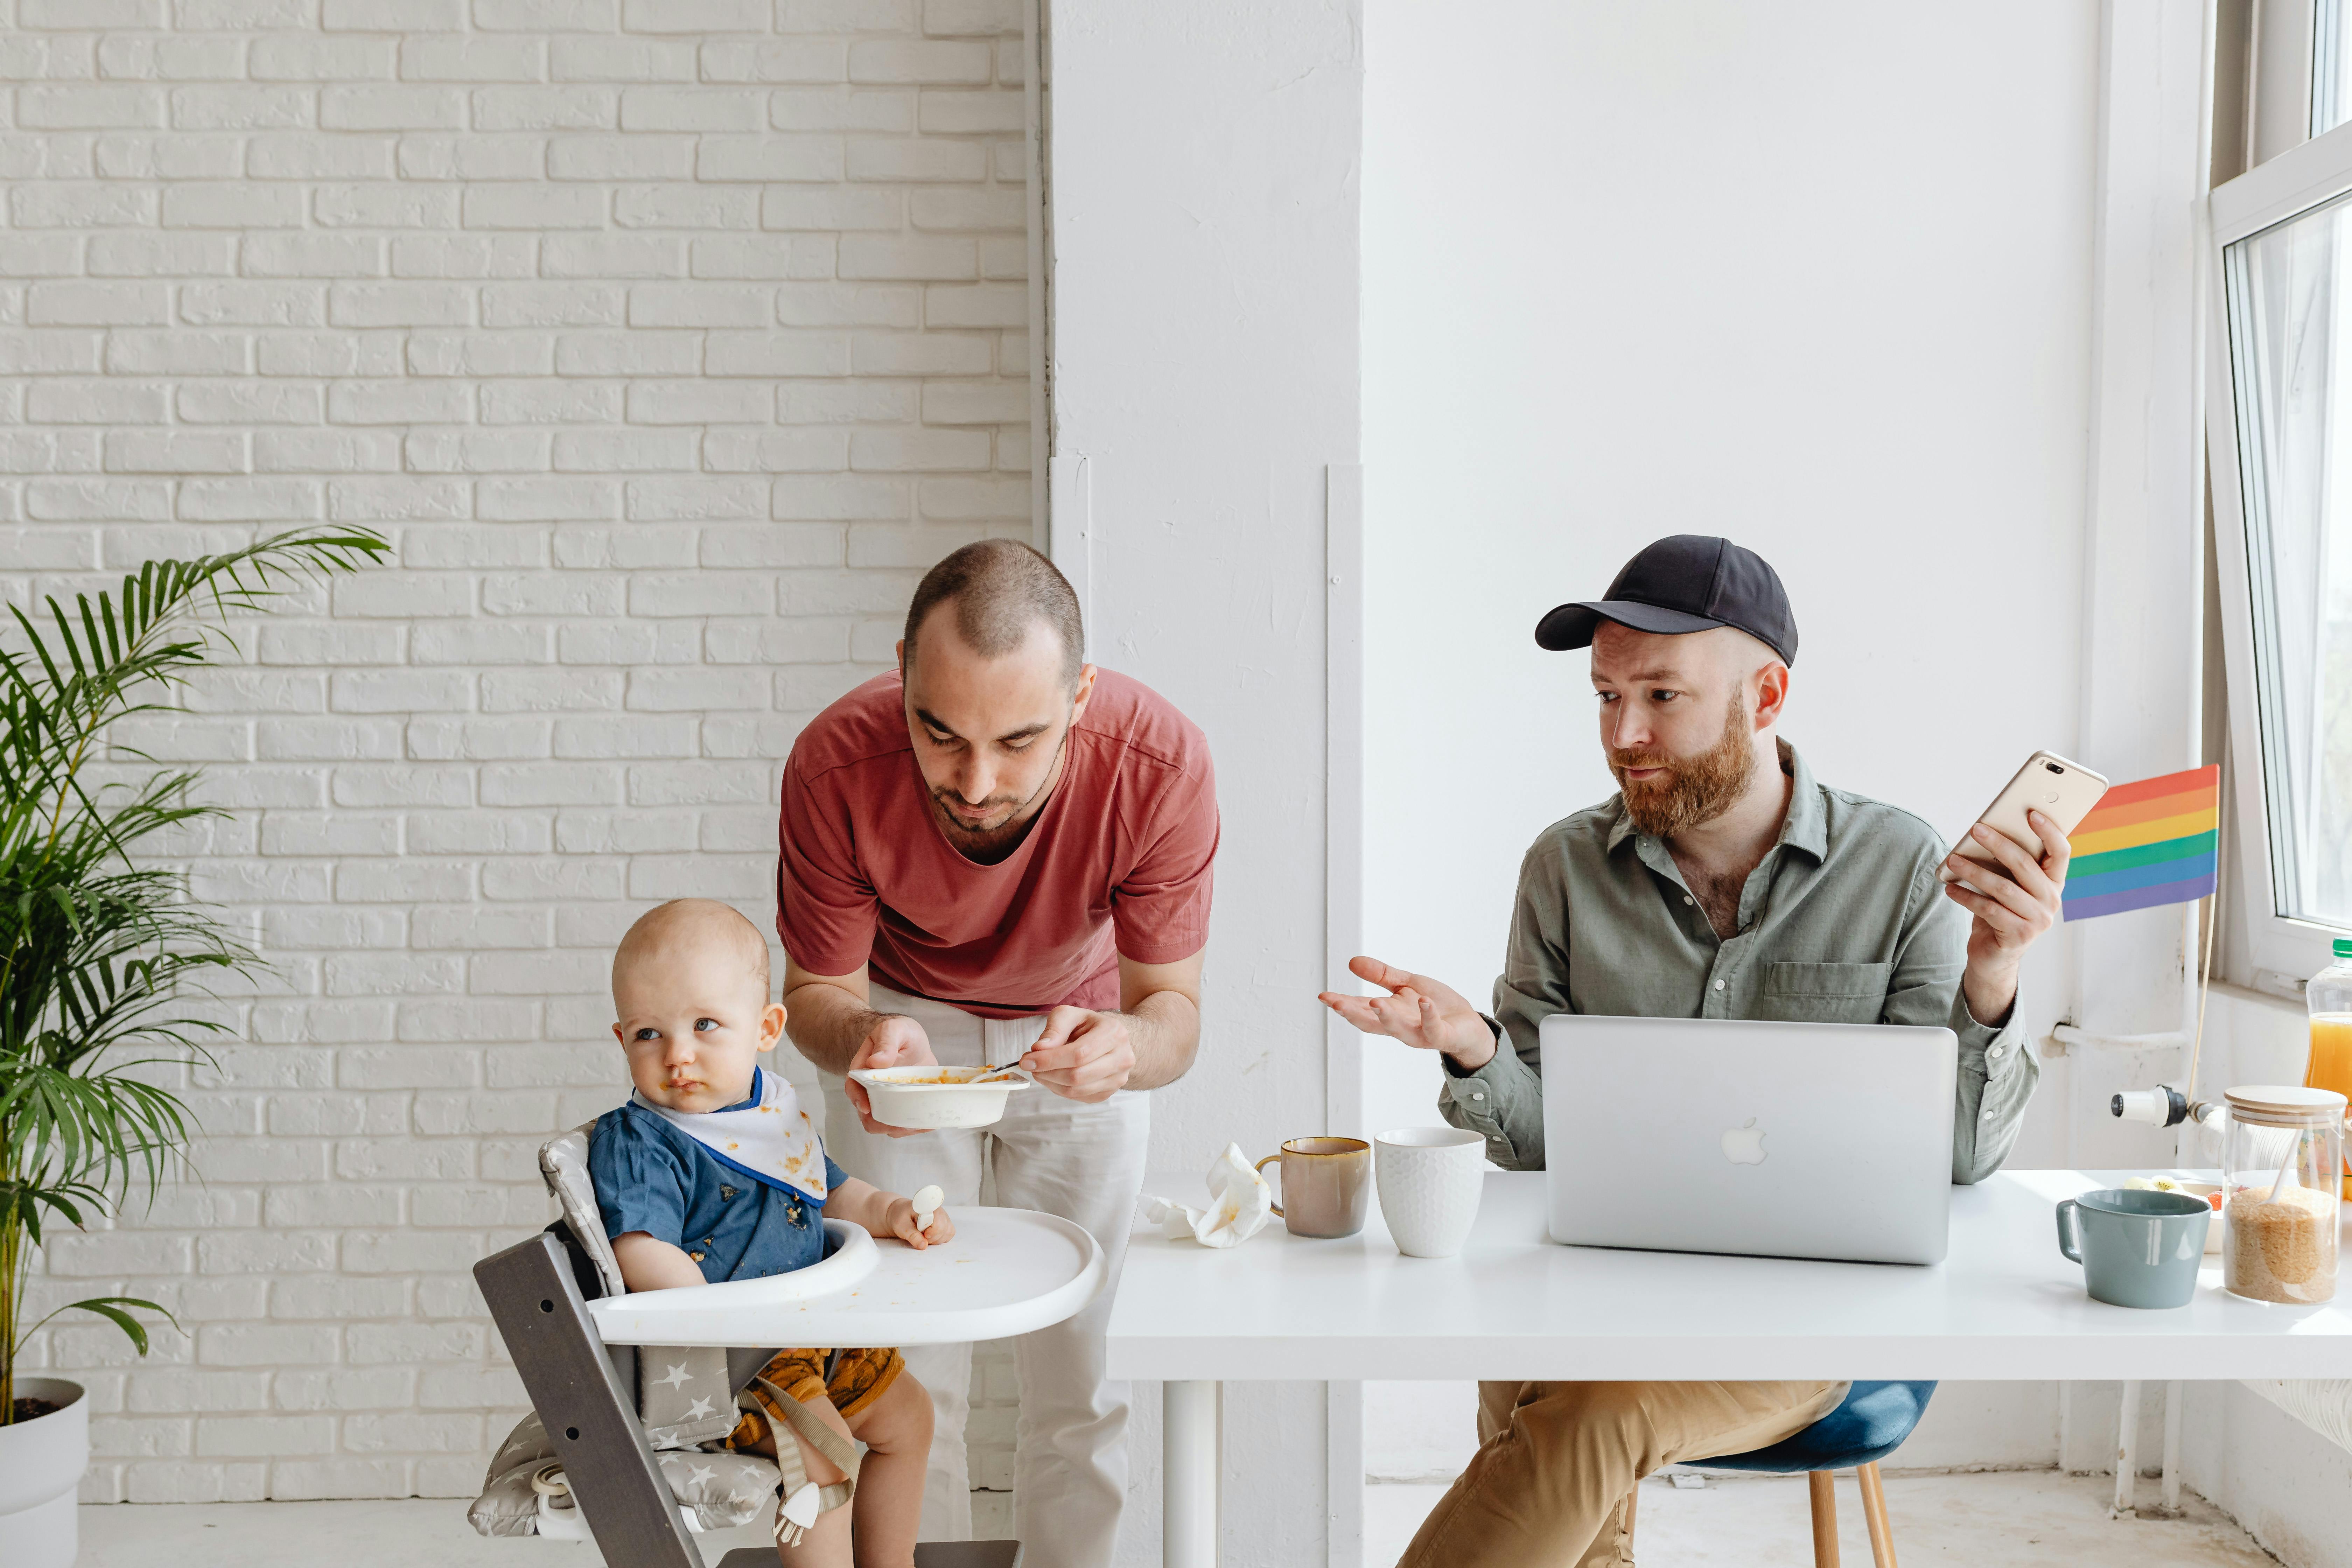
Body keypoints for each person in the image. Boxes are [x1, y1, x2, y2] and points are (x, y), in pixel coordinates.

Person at [1321, 535, 2065, 1568]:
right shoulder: (1565, 869)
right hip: (1594, 1293)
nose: (1624, 733)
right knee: (1559, 1395)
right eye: (1606, 696)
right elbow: (1539, 1154)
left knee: (1584, 1410)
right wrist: (1469, 1045)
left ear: (1767, 696)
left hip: (1811, 1326)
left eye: (1662, 695)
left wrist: (1991, 979)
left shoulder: (1896, 867)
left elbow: (1960, 1162)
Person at [775, 539, 1218, 1567]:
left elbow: (1173, 1016)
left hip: (1080, 1026)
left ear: (1082, 696)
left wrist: (1126, 1049)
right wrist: (859, 1039)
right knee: (901, 1368)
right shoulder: (836, 762)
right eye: (940, 734)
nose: (976, 782)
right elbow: (814, 998)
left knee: (1083, 1367)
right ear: (902, 676)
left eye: (1019, 741)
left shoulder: (1160, 764)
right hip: (900, 1031)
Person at [589, 898, 948, 1568]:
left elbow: (831, 1189)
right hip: (739, 1361)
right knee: (829, 1455)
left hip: (820, 1335)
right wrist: (713, 1318)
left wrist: (891, 1210)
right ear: (621, 1040)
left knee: (911, 1419)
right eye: (648, 1034)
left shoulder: (771, 1112)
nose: (678, 1056)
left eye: (704, 1025)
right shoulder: (644, 1140)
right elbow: (638, 1248)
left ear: (766, 1028)